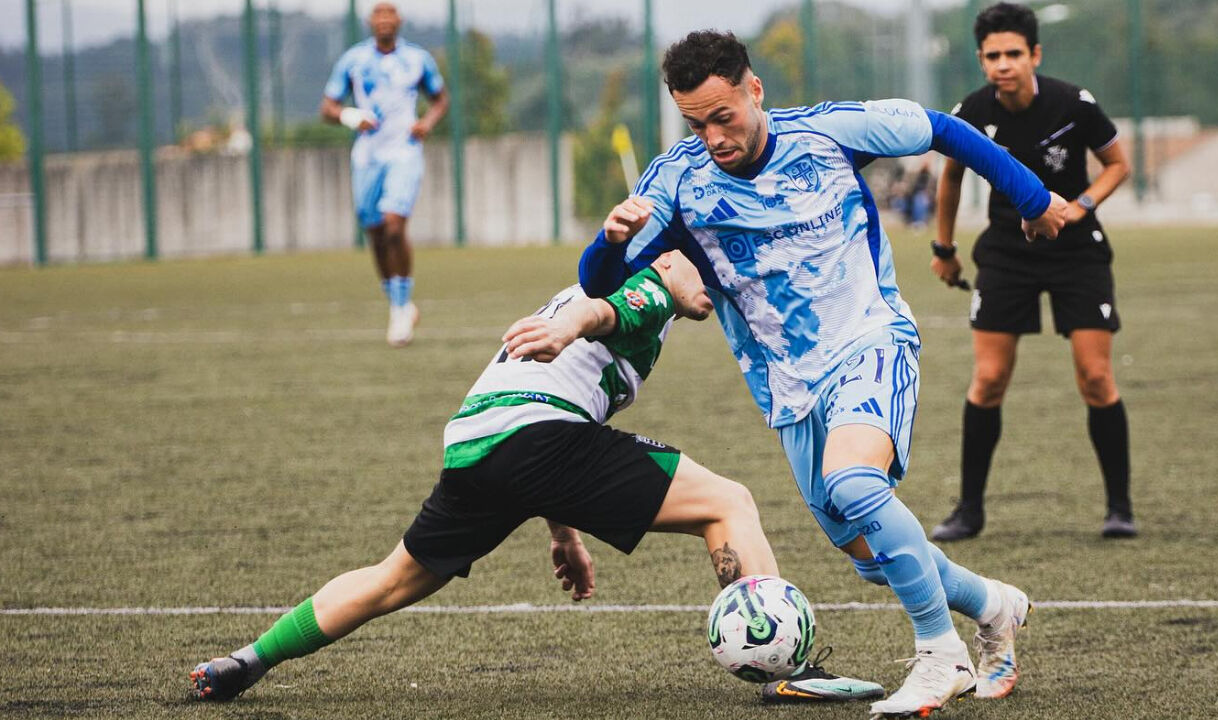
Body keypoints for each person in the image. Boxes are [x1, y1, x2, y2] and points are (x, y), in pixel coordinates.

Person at [578, 31, 1068, 717]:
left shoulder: (829, 133)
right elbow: (602, 283)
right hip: (788, 387)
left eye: (723, 117)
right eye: (696, 124)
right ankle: (993, 606)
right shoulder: (676, 182)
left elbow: (941, 129)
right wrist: (610, 242)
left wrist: (1034, 198)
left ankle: (942, 656)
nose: (713, 137)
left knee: (855, 481)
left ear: (754, 90)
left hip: (871, 340)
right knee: (870, 555)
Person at [189, 251, 884, 705]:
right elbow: (605, 312)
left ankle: (246, 661)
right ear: (670, 256)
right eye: (707, 268)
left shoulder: (625, 287)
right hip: (533, 435)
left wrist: (563, 535)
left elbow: (556, 418)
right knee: (728, 504)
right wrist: (583, 321)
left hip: (476, 443)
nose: (718, 282)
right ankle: (787, 673)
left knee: (390, 580)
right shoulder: (646, 283)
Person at [928, 2, 1135, 543]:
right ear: (981, 60)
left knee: (1096, 377)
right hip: (1006, 252)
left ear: (1034, 55)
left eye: (1014, 54)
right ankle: (969, 511)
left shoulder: (1073, 103)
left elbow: (1118, 165)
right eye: (993, 55)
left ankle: (1119, 508)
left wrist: (1081, 206)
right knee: (989, 379)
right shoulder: (971, 111)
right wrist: (944, 248)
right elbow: (950, 179)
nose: (1004, 64)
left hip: (1077, 251)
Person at [321, 2, 449, 348]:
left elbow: (440, 99)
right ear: (370, 21)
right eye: (378, 14)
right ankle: (399, 301)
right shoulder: (353, 60)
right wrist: (351, 116)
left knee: (394, 224)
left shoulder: (418, 59)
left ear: (399, 20)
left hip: (404, 152)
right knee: (376, 232)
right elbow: (327, 107)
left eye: (390, 13)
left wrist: (426, 123)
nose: (384, 20)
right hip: (368, 157)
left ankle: (400, 309)